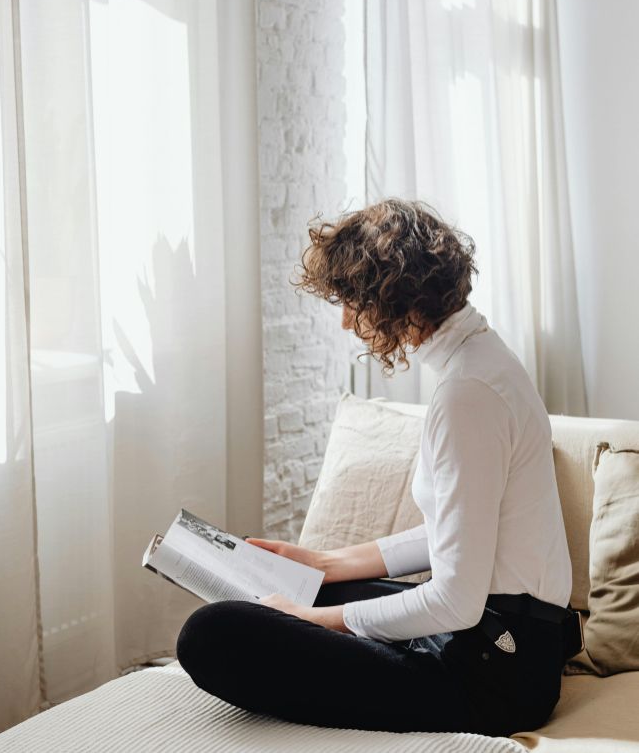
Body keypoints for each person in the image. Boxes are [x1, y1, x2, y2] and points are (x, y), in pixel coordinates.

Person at [176, 198, 582, 736]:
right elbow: (456, 536)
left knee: (212, 634)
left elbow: (456, 602)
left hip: (493, 676)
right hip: (499, 638)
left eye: (352, 301)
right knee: (302, 590)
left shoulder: (468, 395)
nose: (346, 319)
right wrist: (324, 562)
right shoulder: (483, 363)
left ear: (397, 297)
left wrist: (310, 622)